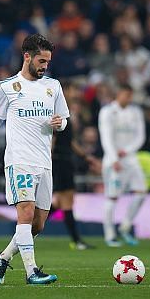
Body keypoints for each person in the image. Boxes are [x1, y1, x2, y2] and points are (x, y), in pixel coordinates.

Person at [0, 33, 69, 285]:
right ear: (27, 57)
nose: (44, 67)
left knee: (38, 224)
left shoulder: (54, 87)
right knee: (26, 213)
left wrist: (60, 123)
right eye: (41, 61)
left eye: (48, 62)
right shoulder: (6, 87)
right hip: (19, 160)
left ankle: (4, 256)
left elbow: (63, 120)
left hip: (44, 162)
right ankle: (31, 272)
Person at [98, 84, 147, 247]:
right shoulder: (107, 112)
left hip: (131, 160)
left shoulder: (136, 112)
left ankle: (125, 227)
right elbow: (106, 137)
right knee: (112, 197)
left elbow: (140, 136)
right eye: (126, 95)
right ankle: (109, 235)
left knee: (141, 193)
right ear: (118, 94)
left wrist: (127, 150)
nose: (129, 98)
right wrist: (114, 159)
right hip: (113, 162)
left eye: (130, 95)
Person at [51, 82, 94, 250]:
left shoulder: (67, 113)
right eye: (73, 89)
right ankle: (76, 241)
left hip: (66, 159)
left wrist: (85, 156)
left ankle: (29, 230)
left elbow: (69, 140)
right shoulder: (57, 111)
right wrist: (47, 159)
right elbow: (53, 138)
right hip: (60, 160)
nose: (76, 93)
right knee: (67, 200)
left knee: (62, 202)